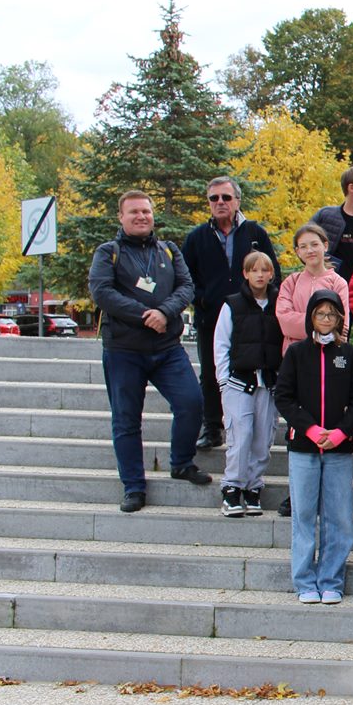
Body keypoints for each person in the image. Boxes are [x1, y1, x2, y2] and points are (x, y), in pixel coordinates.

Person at [88, 190, 211, 513]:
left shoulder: (169, 250)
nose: (141, 216)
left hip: (167, 348)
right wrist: (145, 315)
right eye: (134, 212)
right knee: (126, 420)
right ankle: (133, 486)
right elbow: (102, 292)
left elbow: (186, 287)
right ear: (121, 217)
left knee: (191, 402)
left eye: (146, 211)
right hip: (124, 351)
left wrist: (165, 313)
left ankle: (181, 462)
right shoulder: (108, 252)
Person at [274, 290, 353, 604]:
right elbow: (284, 396)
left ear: (340, 319)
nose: (326, 319)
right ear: (311, 317)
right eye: (320, 313)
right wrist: (311, 429)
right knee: (303, 515)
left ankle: (331, 579)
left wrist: (341, 432)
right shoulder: (297, 353)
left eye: (331, 314)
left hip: (338, 449)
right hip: (304, 446)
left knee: (338, 517)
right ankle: (304, 581)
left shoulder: (350, 354)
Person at [182, 176, 281, 452]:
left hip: (251, 317)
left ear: (237, 201)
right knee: (210, 372)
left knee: (256, 369)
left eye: (226, 197)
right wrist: (202, 299)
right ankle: (212, 427)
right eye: (214, 198)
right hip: (211, 316)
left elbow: (273, 272)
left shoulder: (255, 234)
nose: (220, 202)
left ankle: (259, 425)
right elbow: (185, 278)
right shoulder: (197, 238)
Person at [212, 250, 281, 518]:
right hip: (239, 381)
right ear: (245, 273)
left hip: (268, 382)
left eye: (264, 270)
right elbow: (221, 343)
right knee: (240, 437)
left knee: (263, 439)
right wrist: (223, 380)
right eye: (254, 270)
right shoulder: (233, 304)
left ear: (271, 274)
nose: (260, 275)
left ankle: (253, 487)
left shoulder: (279, 302)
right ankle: (232, 488)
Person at [276, 223, 350, 352]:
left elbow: (341, 326)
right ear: (298, 252)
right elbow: (285, 322)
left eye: (314, 244)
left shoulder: (338, 283)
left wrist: (303, 323)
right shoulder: (291, 283)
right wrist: (324, 324)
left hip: (328, 354)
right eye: (303, 247)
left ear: (325, 246)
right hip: (295, 355)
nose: (310, 250)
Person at [309, 166, 353, 282]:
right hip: (331, 283)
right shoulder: (326, 215)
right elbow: (302, 241)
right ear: (351, 188)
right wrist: (317, 263)